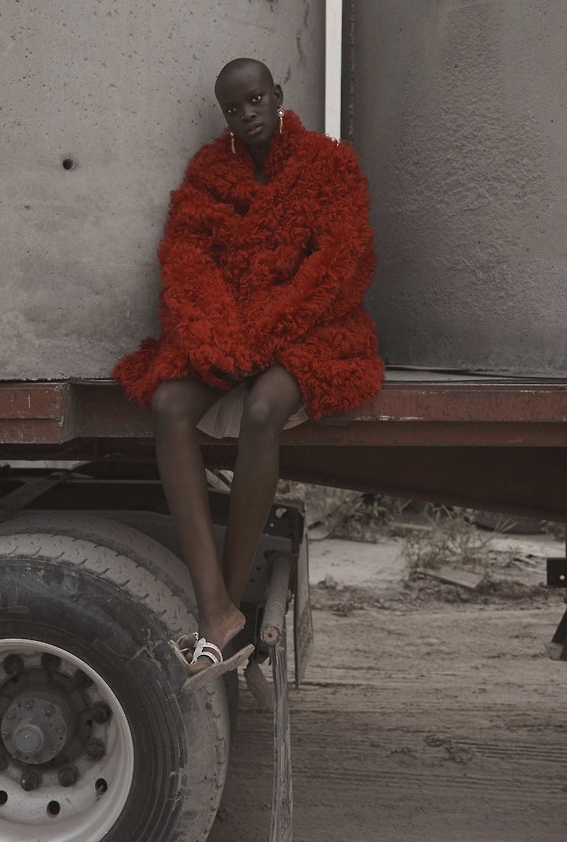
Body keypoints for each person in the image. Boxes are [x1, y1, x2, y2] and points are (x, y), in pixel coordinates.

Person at [112, 58, 384, 691]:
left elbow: (340, 267)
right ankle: (216, 609)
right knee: (168, 403)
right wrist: (217, 334)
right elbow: (186, 261)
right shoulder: (210, 173)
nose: (248, 114)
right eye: (233, 108)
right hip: (230, 331)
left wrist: (265, 334)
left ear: (278, 94)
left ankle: (223, 618)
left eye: (256, 99)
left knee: (264, 409)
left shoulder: (328, 165)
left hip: (312, 327)